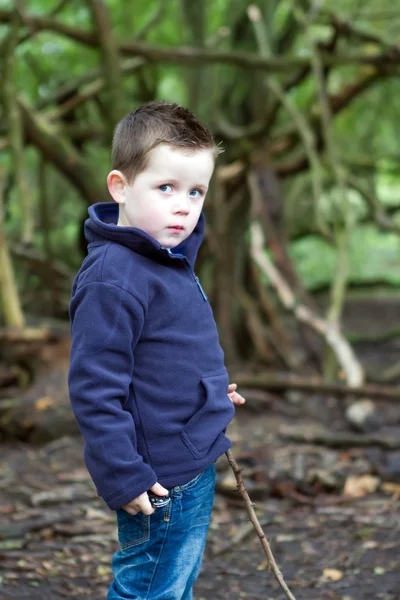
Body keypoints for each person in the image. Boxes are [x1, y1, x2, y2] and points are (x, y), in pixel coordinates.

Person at [68, 101, 245, 600]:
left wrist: (209, 394)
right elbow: (94, 387)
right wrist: (124, 475)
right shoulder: (113, 277)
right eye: (165, 188)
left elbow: (167, 356)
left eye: (196, 191)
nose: (184, 205)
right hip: (158, 479)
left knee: (174, 586)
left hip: (193, 459)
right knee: (150, 590)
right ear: (120, 186)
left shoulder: (164, 262)